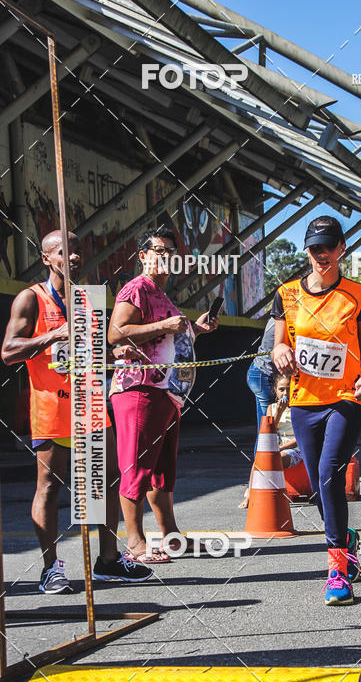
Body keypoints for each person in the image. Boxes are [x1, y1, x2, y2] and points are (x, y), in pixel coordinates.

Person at [1, 230, 153, 592]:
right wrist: (52, 336)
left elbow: (94, 353)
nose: (73, 258)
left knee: (104, 482)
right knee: (51, 486)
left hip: (90, 403)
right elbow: (8, 351)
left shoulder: (89, 300)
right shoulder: (31, 298)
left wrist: (118, 354)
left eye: (78, 251)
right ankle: (50, 568)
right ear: (46, 258)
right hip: (51, 405)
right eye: (63, 252)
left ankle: (108, 560)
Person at [272, 215, 361, 605]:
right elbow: (278, 344)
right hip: (304, 402)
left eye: (328, 247)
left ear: (341, 249)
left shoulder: (358, 294)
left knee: (330, 473)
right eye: (315, 248)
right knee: (319, 487)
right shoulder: (286, 295)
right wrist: (279, 350)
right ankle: (345, 537)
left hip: (346, 398)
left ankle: (337, 568)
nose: (321, 255)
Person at [108, 226, 218, 562]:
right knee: (136, 466)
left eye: (170, 252)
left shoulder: (162, 295)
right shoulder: (137, 288)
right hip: (139, 389)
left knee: (161, 470)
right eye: (158, 250)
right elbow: (117, 333)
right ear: (143, 256)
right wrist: (164, 326)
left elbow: (168, 342)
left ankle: (171, 537)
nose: (164, 257)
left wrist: (194, 329)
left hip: (168, 394)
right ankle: (135, 541)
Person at [239, 317, 277, 508]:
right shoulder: (289, 311)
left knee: (266, 432)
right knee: (267, 434)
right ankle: (254, 488)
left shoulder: (283, 310)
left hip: (260, 373)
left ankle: (255, 486)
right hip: (265, 376)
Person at [267, 373, 303, 469]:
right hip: (277, 446)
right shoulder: (271, 408)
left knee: (276, 459)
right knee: (259, 461)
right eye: (281, 389)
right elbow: (268, 432)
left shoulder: (301, 408)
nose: (285, 393)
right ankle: (253, 484)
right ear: (275, 390)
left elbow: (301, 438)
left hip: (295, 449)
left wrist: (279, 449)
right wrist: (279, 412)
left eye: (289, 388)